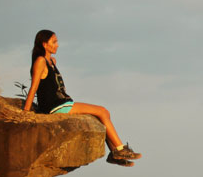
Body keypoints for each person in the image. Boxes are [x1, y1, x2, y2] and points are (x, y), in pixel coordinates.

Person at [23, 29, 141, 167]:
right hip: (54, 106)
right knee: (102, 111)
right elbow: (34, 87)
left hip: (62, 102)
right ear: (44, 44)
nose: (57, 45)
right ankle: (121, 150)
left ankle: (114, 153)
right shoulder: (40, 61)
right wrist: (25, 112)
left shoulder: (52, 61)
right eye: (54, 42)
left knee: (102, 115)